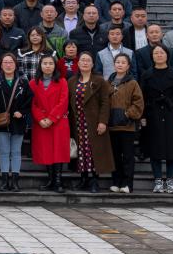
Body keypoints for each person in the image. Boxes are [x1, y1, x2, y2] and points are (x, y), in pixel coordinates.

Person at [140, 44, 173, 195]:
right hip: (153, 113)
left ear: (167, 55)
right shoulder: (147, 74)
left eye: (162, 52)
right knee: (155, 148)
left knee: (172, 148)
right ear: (152, 56)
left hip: (171, 113)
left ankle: (170, 180)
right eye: (156, 53)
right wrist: (142, 116)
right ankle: (158, 180)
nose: (159, 55)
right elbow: (142, 97)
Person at [68, 51, 113, 193]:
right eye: (82, 60)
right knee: (81, 151)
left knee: (93, 151)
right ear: (78, 63)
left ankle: (94, 180)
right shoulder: (72, 81)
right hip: (77, 122)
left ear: (93, 64)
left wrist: (103, 121)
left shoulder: (99, 81)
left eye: (88, 60)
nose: (85, 62)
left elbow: (105, 102)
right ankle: (83, 179)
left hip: (94, 122)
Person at [0, 52, 33, 193]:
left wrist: (22, 112)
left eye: (11, 62)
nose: (8, 65)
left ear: (16, 64)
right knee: (3, 151)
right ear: (1, 65)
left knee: (16, 151)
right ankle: (4, 181)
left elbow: (30, 100)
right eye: (5, 62)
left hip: (18, 121)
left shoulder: (23, 82)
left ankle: (15, 181)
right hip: (1, 121)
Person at [30, 54, 69, 193]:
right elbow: (32, 104)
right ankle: (51, 180)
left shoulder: (62, 81)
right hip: (41, 122)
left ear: (55, 66)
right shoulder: (33, 83)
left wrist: (51, 118)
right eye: (45, 63)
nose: (48, 66)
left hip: (58, 121)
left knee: (58, 150)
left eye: (50, 63)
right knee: (46, 151)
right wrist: (40, 118)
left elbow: (63, 102)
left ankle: (58, 181)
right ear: (40, 66)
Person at [107, 53, 144, 195]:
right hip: (112, 126)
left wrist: (127, 114)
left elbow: (138, 103)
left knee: (127, 156)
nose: (120, 64)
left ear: (128, 66)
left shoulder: (132, 83)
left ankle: (127, 184)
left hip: (127, 126)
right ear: (114, 64)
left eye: (123, 62)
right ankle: (116, 182)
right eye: (118, 62)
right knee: (115, 156)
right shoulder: (108, 82)